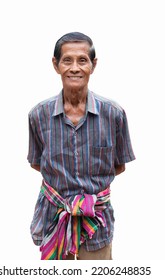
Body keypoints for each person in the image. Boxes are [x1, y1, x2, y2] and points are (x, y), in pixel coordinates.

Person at [27, 32, 135, 260]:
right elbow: (38, 163)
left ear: (93, 65)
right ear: (56, 65)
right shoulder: (38, 115)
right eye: (67, 60)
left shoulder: (114, 114)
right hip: (54, 221)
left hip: (97, 223)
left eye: (82, 60)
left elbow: (119, 166)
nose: (74, 68)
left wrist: (86, 200)